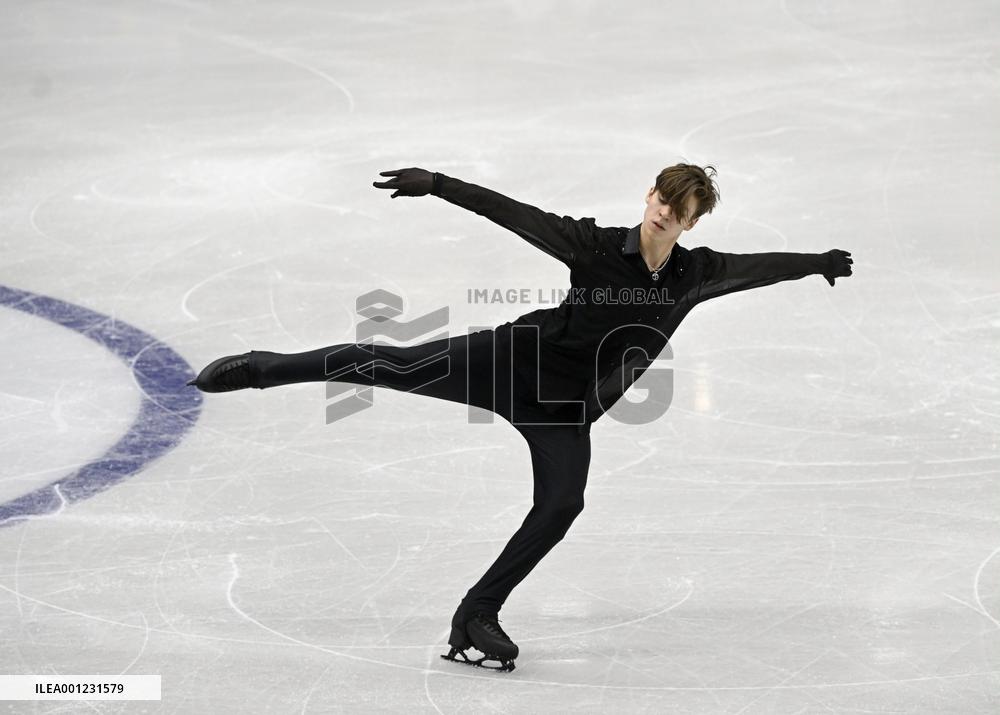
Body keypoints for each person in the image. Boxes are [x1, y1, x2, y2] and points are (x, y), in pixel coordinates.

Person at [188, 165, 853, 672]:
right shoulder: (593, 246)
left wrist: (817, 264)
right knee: (390, 363)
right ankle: (262, 367)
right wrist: (438, 184)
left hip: (564, 410)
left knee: (563, 503)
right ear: (649, 194)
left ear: (691, 222)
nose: (662, 213)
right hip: (511, 362)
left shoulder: (694, 274)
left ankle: (476, 614)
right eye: (660, 199)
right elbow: (514, 213)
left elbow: (761, 267)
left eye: (678, 210)